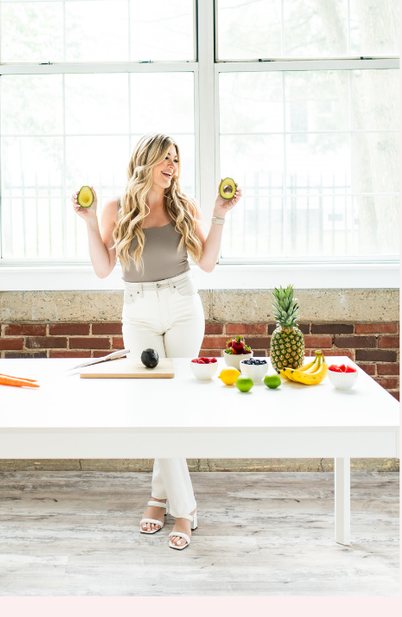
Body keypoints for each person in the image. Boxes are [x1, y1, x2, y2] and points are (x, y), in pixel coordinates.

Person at [71, 132, 241, 551]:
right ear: (146, 161)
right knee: (153, 408)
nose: (173, 166)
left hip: (184, 307)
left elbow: (207, 262)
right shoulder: (117, 207)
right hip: (139, 311)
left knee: (173, 409)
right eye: (166, 158)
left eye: (177, 159)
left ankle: (164, 502)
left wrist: (219, 214)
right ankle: (183, 507)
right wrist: (91, 224)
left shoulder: (184, 206)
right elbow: (102, 268)